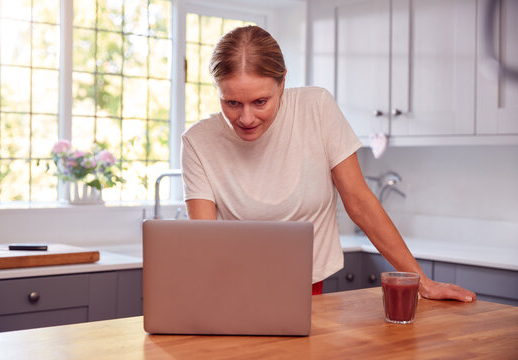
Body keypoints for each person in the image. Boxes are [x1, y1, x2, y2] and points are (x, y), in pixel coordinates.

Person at [181, 25, 475, 301]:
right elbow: (207, 243)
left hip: (307, 287)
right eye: (232, 103)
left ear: (283, 82)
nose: (246, 119)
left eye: (260, 102)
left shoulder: (316, 108)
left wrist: (422, 282)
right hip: (234, 291)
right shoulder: (198, 141)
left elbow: (359, 202)